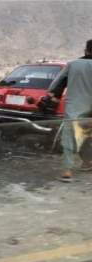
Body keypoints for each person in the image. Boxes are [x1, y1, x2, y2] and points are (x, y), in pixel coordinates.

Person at [42, 39, 92, 182]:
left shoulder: (73, 65)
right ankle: (88, 162)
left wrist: (54, 95)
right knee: (87, 134)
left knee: (70, 135)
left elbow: (56, 84)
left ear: (86, 50)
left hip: (75, 106)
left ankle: (67, 170)